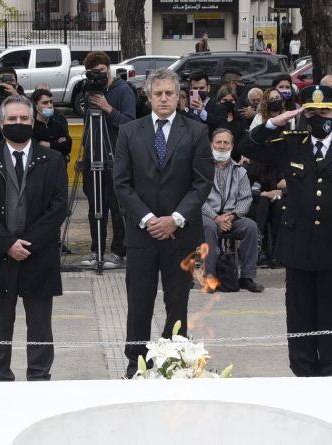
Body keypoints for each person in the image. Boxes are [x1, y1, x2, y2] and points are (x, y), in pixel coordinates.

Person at [238, 85, 332, 377]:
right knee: (298, 310)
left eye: (324, 112)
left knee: (329, 309)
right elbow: (246, 148)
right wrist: (273, 123)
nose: (317, 117)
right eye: (311, 112)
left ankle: (326, 369)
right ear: (303, 115)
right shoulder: (290, 143)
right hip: (297, 241)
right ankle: (302, 368)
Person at [113, 68, 213, 378]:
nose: (164, 98)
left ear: (179, 95)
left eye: (170, 93)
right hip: (141, 235)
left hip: (181, 236)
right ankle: (137, 366)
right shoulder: (129, 132)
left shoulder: (196, 132)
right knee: (139, 304)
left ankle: (175, 363)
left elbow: (202, 182)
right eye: (158, 93)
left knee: (178, 303)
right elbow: (122, 184)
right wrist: (148, 219)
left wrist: (176, 219)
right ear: (148, 95)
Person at [0, 94, 68, 381]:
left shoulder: (53, 159)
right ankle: (1, 378)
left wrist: (27, 244)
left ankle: (39, 378)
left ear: (33, 121)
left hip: (39, 255)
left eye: (24, 118)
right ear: (1, 123)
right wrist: (7, 243)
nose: (18, 123)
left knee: (40, 324)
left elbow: (58, 207)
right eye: (12, 118)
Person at [79, 51, 135, 270]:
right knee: (95, 207)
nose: (98, 77)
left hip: (116, 157)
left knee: (116, 206)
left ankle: (119, 251)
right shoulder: (89, 91)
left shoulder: (123, 91)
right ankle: (97, 250)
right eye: (93, 73)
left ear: (109, 69)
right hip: (93, 156)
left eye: (101, 71)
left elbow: (129, 124)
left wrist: (108, 108)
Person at [202, 129, 263, 292]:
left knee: (250, 227)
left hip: (232, 217)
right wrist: (216, 218)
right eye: (218, 142)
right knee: (209, 227)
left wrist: (233, 215)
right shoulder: (201, 168)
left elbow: (246, 198)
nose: (222, 146)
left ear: (232, 145)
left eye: (226, 142)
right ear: (211, 145)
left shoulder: (240, 171)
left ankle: (247, 277)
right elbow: (198, 198)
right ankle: (209, 277)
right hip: (207, 215)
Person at [31, 88, 71, 158]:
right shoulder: (31, 126)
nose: (50, 106)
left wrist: (50, 145)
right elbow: (36, 149)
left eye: (51, 102)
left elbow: (68, 146)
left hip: (59, 165)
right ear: (36, 106)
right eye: (45, 103)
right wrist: (58, 144)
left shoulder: (58, 125)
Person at [189, 69, 228, 135]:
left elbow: (222, 125)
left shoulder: (220, 108)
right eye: (195, 88)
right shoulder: (187, 108)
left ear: (208, 88)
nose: (199, 91)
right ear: (191, 88)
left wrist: (202, 112)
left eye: (201, 88)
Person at [215, 85, 246, 154]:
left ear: (235, 101)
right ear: (219, 101)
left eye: (231, 100)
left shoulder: (240, 119)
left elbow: (242, 139)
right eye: (225, 100)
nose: (228, 103)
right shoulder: (213, 117)